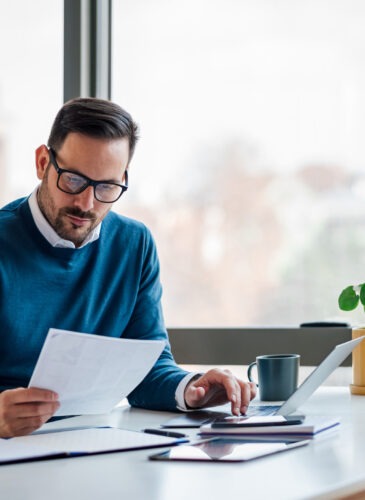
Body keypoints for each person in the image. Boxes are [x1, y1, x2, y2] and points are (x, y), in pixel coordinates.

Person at [0, 98, 256, 438]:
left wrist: (193, 388)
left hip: (95, 445)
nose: (86, 204)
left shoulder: (134, 245)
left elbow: (147, 366)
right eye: (73, 180)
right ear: (43, 162)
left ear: (122, 178)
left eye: (106, 187)